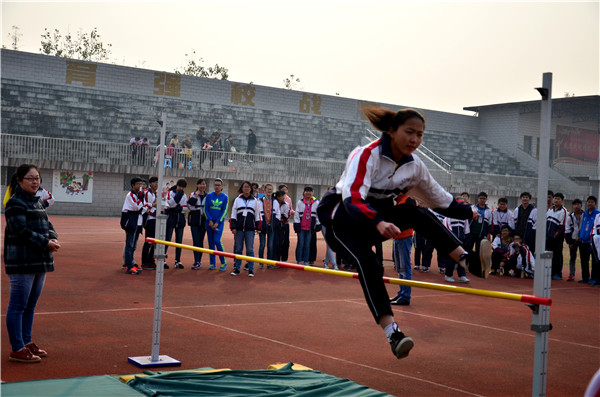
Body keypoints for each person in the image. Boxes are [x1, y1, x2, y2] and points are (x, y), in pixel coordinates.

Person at [317, 107, 476, 360]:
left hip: (375, 220)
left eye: (420, 135)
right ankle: (393, 333)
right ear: (392, 131)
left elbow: (439, 199)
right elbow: (353, 198)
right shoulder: (365, 155)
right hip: (342, 222)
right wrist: (378, 222)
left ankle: (467, 260)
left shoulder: (415, 166)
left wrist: (469, 212)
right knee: (369, 263)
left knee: (414, 211)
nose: (415, 140)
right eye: (409, 132)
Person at [4, 164, 61, 363]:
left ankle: (26, 342)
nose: (35, 182)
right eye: (30, 178)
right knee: (18, 305)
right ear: (19, 181)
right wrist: (46, 242)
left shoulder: (37, 202)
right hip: (22, 261)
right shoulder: (15, 203)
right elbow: (21, 230)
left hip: (40, 260)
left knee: (30, 306)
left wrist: (52, 237)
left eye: (37, 178)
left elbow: (48, 224)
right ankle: (17, 348)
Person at [230, 181, 261, 277]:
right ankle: (237, 268)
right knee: (238, 249)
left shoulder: (255, 201)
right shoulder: (237, 200)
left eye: (248, 187)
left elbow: (258, 215)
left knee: (250, 250)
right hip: (239, 229)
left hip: (250, 229)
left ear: (251, 189)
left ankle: (251, 270)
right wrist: (233, 227)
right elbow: (233, 214)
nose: (246, 188)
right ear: (242, 188)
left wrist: (258, 227)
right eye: (245, 187)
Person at [465, 192, 492, 277]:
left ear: (486, 200)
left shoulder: (488, 211)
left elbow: (490, 223)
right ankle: (465, 265)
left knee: (479, 251)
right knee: (468, 249)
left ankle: (475, 267)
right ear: (478, 199)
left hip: (481, 234)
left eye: (484, 199)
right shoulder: (472, 207)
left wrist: (488, 234)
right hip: (471, 232)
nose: (482, 200)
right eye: (481, 198)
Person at [121, 177, 144, 274]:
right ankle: (129, 266)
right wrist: (141, 202)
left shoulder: (137, 195)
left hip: (135, 221)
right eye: (138, 184)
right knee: (130, 244)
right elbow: (136, 207)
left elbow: (140, 207)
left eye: (141, 184)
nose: (140, 186)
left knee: (132, 244)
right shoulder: (131, 195)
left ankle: (129, 263)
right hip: (130, 222)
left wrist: (141, 204)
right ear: (133, 185)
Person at [205, 178, 229, 271]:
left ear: (222, 186)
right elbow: (205, 209)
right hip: (209, 223)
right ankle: (212, 263)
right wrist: (210, 220)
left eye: (218, 185)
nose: (217, 186)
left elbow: (224, 211)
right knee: (210, 243)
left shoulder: (225, 197)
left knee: (217, 241)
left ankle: (223, 262)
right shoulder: (209, 196)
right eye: (215, 185)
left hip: (219, 224)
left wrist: (217, 222)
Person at [164, 179, 188, 269]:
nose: (181, 188)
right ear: (177, 185)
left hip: (180, 220)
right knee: (167, 239)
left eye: (183, 187)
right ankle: (163, 259)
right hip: (171, 219)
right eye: (180, 186)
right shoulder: (170, 193)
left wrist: (178, 208)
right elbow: (170, 204)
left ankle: (178, 260)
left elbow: (185, 208)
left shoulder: (184, 195)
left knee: (179, 241)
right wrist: (177, 204)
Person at [294, 186, 320, 265]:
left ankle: (306, 261)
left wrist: (318, 225)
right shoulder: (300, 202)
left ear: (313, 193)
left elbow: (318, 215)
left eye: (310, 191)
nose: (308, 193)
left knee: (307, 245)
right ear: (304, 192)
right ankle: (299, 260)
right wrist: (297, 226)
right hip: (301, 228)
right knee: (300, 244)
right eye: (306, 191)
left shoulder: (316, 203)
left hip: (310, 228)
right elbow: (296, 215)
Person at [546, 192, 568, 280]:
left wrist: (556, 234)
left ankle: (558, 273)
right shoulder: (550, 210)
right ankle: (550, 272)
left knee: (557, 255)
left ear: (562, 201)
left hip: (557, 238)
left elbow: (562, 225)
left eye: (558, 199)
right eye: (555, 198)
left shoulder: (564, 211)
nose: (556, 200)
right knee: (549, 254)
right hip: (548, 237)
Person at [187, 179, 208, 270]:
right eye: (200, 184)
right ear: (197, 185)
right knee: (196, 241)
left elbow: (209, 207)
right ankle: (196, 261)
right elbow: (190, 206)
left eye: (203, 184)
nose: (202, 186)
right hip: (195, 220)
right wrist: (195, 196)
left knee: (201, 241)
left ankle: (199, 260)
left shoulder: (208, 196)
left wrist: (205, 213)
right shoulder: (192, 194)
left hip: (203, 220)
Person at [579, 196, 600, 284]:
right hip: (583, 240)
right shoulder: (585, 214)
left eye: (592, 202)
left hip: (592, 241)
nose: (590, 203)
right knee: (584, 260)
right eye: (588, 202)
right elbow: (583, 226)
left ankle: (594, 278)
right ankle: (585, 277)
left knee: (594, 260)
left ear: (595, 203)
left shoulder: (597, 214)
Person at [141, 176, 159, 270]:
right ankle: (145, 262)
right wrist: (154, 205)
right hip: (149, 219)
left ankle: (151, 260)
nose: (156, 184)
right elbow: (146, 207)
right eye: (155, 182)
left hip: (155, 218)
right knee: (148, 241)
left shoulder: (155, 193)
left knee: (154, 241)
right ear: (150, 183)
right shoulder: (147, 193)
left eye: (157, 182)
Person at [258, 184, 277, 263]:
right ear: (264, 190)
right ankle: (261, 262)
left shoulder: (274, 201)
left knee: (270, 246)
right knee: (262, 245)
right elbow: (259, 213)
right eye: (268, 189)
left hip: (271, 226)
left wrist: (274, 223)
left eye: (271, 189)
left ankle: (269, 262)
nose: (269, 191)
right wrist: (261, 224)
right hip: (263, 226)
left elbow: (277, 213)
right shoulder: (260, 200)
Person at [565, 199, 583, 282]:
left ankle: (585, 276)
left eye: (578, 204)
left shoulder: (585, 215)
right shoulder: (570, 217)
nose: (576, 206)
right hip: (574, 240)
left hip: (583, 240)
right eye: (575, 204)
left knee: (584, 259)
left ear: (581, 205)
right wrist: (569, 242)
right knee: (572, 258)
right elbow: (567, 230)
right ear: (573, 206)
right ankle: (571, 274)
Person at [278, 184, 294, 262]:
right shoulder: (276, 199)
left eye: (286, 190)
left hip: (286, 223)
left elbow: (290, 210)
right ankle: (277, 257)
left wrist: (294, 212)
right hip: (277, 223)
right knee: (278, 241)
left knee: (286, 241)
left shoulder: (289, 199)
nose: (285, 191)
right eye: (283, 190)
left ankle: (284, 258)